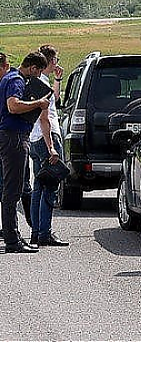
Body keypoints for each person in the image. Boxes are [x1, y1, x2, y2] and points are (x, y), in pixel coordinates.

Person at [0, 52, 51, 253]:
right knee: (13, 191)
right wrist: (38, 103)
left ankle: (12, 236)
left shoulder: (9, 78)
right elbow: (13, 106)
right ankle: (12, 241)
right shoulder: (17, 80)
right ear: (32, 68)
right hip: (14, 137)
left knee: (10, 189)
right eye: (38, 72)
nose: (37, 77)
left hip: (9, 136)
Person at [28, 45, 67, 246]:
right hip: (47, 137)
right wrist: (51, 146)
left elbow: (55, 100)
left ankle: (36, 232)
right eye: (56, 60)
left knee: (38, 187)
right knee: (50, 187)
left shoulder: (38, 81)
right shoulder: (41, 83)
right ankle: (45, 232)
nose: (57, 63)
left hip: (34, 138)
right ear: (50, 61)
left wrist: (57, 80)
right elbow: (45, 117)